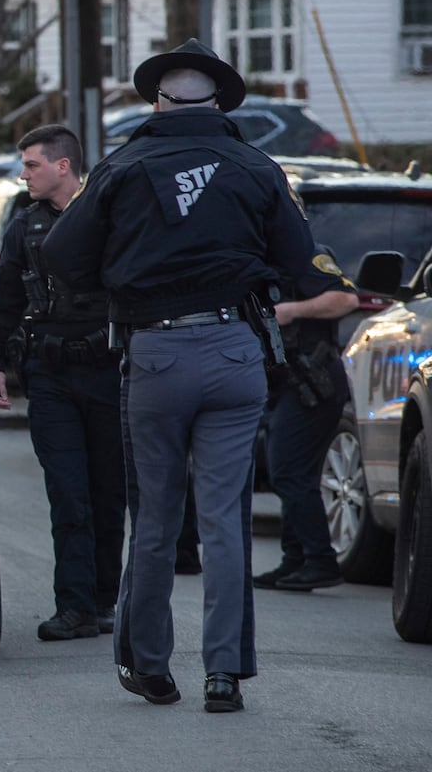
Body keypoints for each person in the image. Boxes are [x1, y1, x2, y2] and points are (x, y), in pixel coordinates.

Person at [42, 38, 341, 715]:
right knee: (224, 516)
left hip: (155, 353)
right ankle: (223, 673)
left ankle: (150, 665)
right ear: (219, 101)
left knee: (154, 516)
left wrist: (119, 275)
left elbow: (61, 253)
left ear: (157, 101)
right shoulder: (257, 166)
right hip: (235, 352)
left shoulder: (122, 166)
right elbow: (302, 262)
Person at [0, 124, 125, 643]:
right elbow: (6, 304)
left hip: (109, 374)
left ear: (63, 166)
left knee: (108, 493)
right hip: (50, 377)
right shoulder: (24, 227)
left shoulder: (110, 219)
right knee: (68, 494)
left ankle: (105, 600)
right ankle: (75, 606)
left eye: (32, 165)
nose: (24, 175)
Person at [255, 248, 359, 591]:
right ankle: (295, 560)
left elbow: (345, 299)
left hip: (313, 380)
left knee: (289, 470)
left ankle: (319, 560)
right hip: (285, 384)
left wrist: (291, 311)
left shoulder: (305, 253)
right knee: (290, 471)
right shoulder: (256, 255)